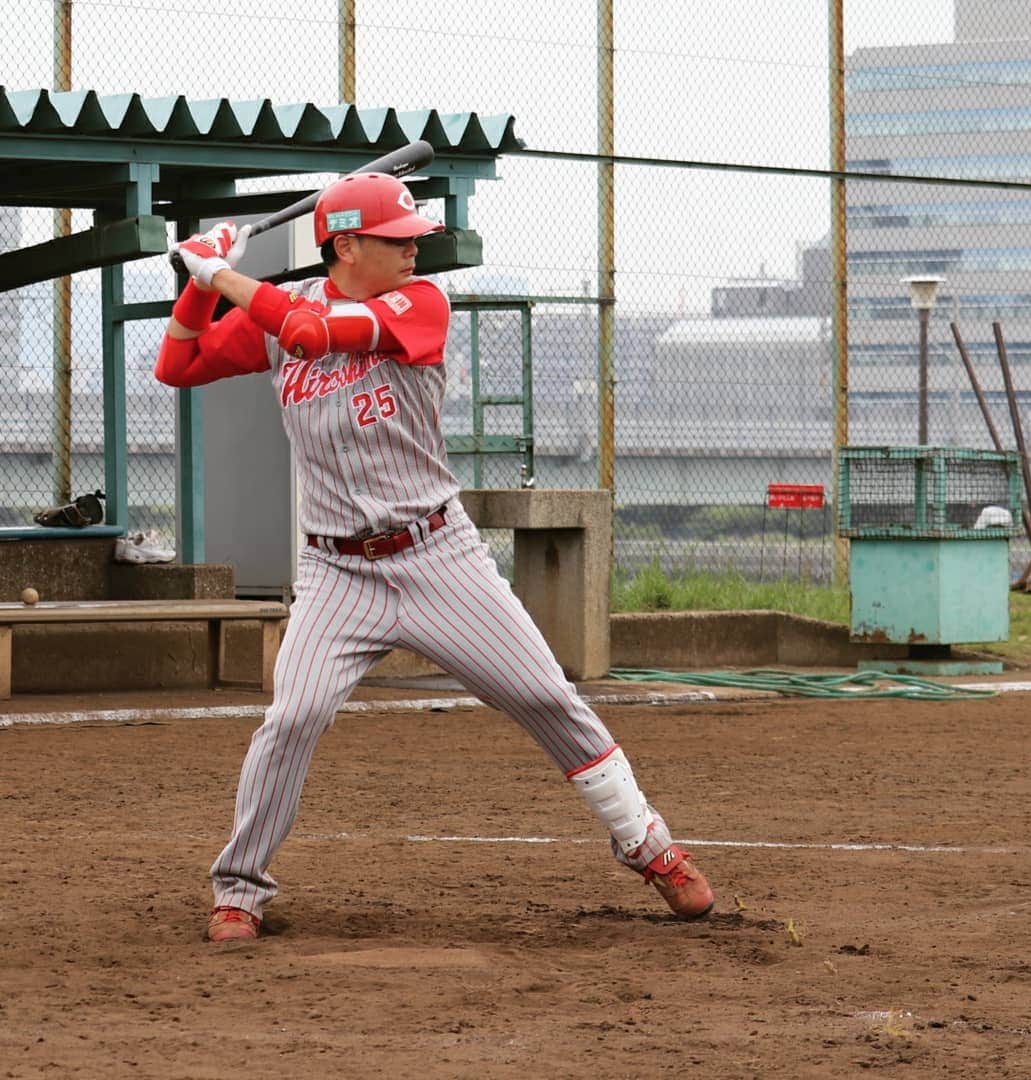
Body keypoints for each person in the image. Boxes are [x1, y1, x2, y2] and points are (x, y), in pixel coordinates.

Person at [156, 172, 714, 943]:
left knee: (548, 696)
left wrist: (219, 271)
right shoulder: (278, 318)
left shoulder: (419, 304)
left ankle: (651, 846)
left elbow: (317, 333)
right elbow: (177, 365)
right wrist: (196, 281)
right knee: (295, 715)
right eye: (399, 240)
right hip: (336, 571)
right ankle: (239, 891)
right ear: (346, 244)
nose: (416, 250)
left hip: (436, 555)